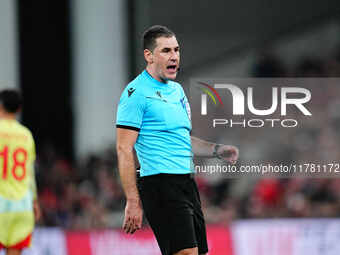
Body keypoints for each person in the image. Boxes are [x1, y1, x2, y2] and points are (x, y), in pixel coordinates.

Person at [116, 25, 239, 255]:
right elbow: (124, 148)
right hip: (159, 183)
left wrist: (216, 150)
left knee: (199, 253)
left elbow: (183, 140)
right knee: (186, 253)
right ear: (149, 56)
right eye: (166, 51)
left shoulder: (178, 91)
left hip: (186, 182)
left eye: (176, 50)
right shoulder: (135, 93)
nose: (174, 56)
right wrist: (133, 200)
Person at [0, 90, 40, 255]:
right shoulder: (26, 135)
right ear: (18, 110)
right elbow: (29, 175)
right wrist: (35, 201)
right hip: (21, 206)